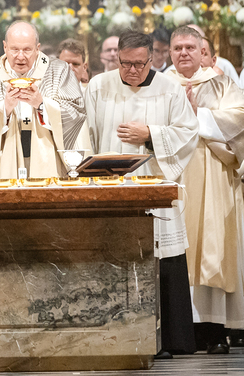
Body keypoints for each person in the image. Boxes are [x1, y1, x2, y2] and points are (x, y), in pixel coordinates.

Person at [85, 30, 199, 357]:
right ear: (116, 58)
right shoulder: (99, 86)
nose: (132, 71)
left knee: (162, 260)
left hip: (154, 189)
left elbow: (188, 133)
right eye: (125, 64)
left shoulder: (170, 89)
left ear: (152, 59)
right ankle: (114, 337)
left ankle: (170, 340)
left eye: (139, 64)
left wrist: (150, 134)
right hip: (110, 191)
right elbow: (84, 136)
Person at [165, 27, 244, 354]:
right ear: (170, 52)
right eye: (178, 48)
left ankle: (214, 329)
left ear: (201, 50)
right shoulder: (162, 85)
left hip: (213, 176)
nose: (184, 53)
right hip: (173, 176)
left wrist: (198, 116)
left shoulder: (220, 83)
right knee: (177, 251)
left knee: (212, 247)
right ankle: (180, 331)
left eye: (190, 47)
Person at [0, 21, 85, 179]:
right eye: (14, 49)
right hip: (6, 161)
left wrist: (41, 105)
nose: (20, 56)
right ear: (5, 47)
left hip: (49, 159)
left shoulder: (60, 71)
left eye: (27, 49)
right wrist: (4, 109)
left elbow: (76, 113)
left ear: (37, 48)